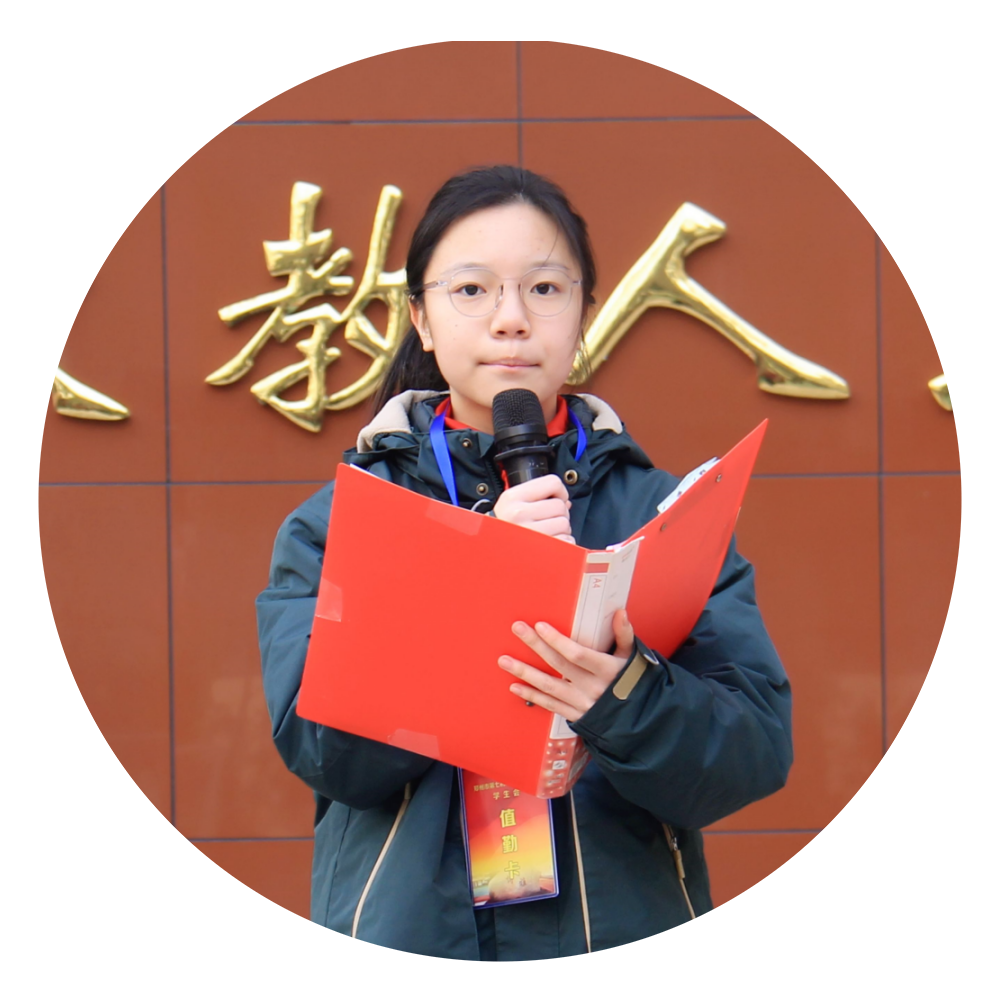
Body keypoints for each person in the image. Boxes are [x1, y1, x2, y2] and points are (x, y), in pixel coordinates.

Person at [256, 165, 793, 960]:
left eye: (543, 289)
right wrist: (472, 585)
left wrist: (624, 696)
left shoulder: (661, 515)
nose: (511, 320)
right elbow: (323, 752)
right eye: (472, 290)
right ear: (421, 319)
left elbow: (752, 753)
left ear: (584, 315)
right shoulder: (341, 523)